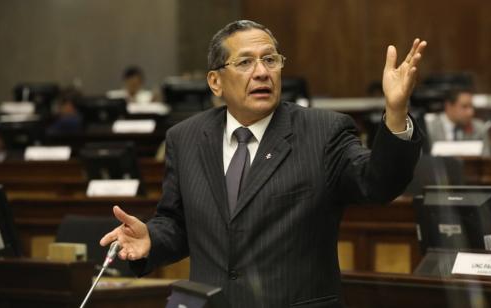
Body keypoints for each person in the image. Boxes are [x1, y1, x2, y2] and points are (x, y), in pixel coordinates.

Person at [100, 20, 426, 307]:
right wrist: (152, 239)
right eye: (245, 62)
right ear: (215, 82)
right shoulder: (185, 138)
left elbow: (378, 183)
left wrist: (395, 114)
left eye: (270, 60)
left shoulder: (322, 132)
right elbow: (179, 222)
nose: (262, 72)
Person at [425, 87, 491, 155]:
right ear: (449, 106)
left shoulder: (479, 128)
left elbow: (486, 159)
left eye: (471, 106)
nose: (470, 112)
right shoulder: (429, 128)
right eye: (464, 107)